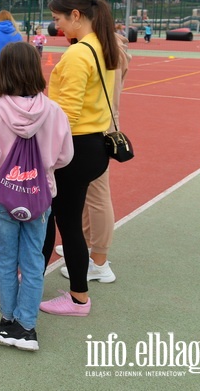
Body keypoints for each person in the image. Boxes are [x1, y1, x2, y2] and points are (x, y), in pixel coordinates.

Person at [0, 41, 73, 351]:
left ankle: (7, 318)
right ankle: (27, 325)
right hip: (39, 196)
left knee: (4, 259)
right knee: (33, 259)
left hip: (2, 197)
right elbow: (65, 156)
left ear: (2, 73)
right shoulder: (54, 111)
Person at [41, 0, 120, 316]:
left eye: (59, 18)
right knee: (61, 218)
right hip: (95, 145)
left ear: (76, 15)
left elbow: (67, 116)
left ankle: (77, 297)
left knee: (62, 221)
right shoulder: (103, 47)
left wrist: (44, 151)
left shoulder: (77, 54)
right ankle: (64, 287)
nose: (57, 26)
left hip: (74, 146)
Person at [57, 32, 131, 283]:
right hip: (100, 125)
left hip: (95, 128)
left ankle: (99, 260)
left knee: (97, 195)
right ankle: (88, 247)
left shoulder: (103, 49)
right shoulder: (107, 47)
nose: (61, 26)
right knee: (89, 195)